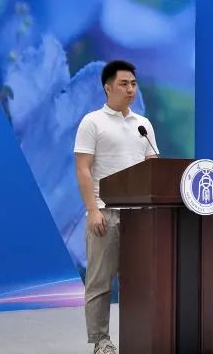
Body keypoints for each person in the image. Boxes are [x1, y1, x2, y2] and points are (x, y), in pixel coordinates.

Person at [74, 60, 159, 354]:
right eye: (124, 84)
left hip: (139, 216)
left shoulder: (143, 125)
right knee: (100, 282)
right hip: (105, 211)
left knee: (138, 280)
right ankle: (101, 341)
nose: (130, 89)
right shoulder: (92, 122)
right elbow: (83, 169)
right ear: (107, 88)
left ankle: (138, 336)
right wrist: (92, 209)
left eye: (134, 84)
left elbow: (152, 168)